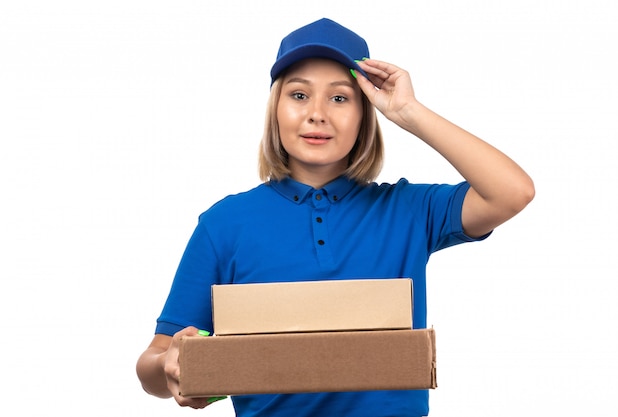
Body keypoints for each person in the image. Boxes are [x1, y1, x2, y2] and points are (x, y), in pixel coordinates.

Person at [136, 17, 534, 417]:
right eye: (298, 95)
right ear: (275, 108)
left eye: (340, 98)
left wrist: (409, 111)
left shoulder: (409, 210)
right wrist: (170, 364)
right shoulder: (224, 224)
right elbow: (152, 363)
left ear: (365, 114)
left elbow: (512, 192)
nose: (317, 114)